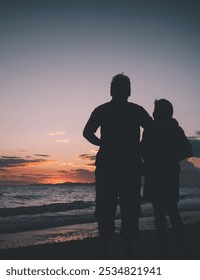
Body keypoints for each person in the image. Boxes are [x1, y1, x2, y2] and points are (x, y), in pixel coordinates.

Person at [83, 73, 152, 259]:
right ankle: (124, 252)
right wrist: (142, 147)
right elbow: (152, 129)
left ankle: (107, 251)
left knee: (108, 209)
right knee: (128, 209)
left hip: (113, 166)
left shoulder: (103, 110)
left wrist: (102, 144)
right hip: (126, 167)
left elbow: (87, 133)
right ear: (128, 91)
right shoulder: (135, 110)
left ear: (112, 91)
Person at [141, 99, 192, 258]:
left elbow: (142, 150)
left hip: (158, 174)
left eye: (156, 109)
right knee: (171, 211)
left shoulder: (153, 129)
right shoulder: (174, 129)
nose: (154, 112)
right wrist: (172, 159)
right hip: (167, 173)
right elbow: (187, 150)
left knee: (161, 213)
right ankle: (181, 248)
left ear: (162, 111)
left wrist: (153, 159)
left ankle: (164, 250)